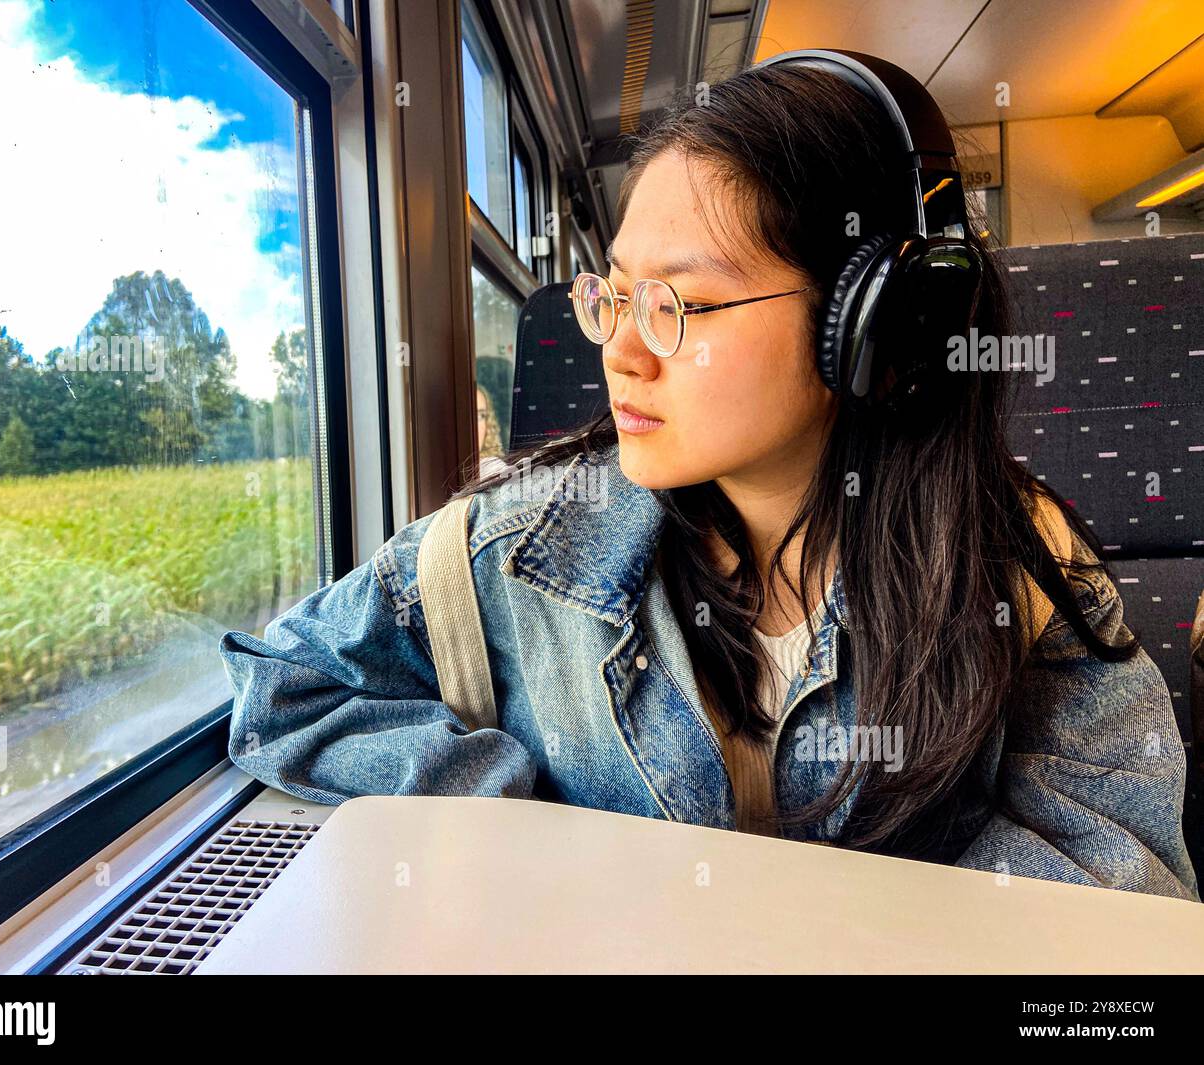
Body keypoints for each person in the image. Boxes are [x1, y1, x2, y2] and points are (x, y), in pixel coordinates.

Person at [219, 53, 1197, 900]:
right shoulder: (515, 551)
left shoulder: (1017, 571)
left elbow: (1120, 882)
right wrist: (517, 825)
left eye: (680, 305)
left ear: (874, 330)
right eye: (615, 294)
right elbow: (288, 687)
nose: (621, 354)